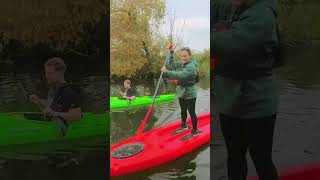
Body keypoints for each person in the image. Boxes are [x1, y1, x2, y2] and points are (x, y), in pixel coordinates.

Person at [212, 0, 279, 179]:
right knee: (234, 159)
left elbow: (228, 44)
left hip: (258, 106)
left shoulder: (263, 14)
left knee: (262, 160)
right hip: (229, 103)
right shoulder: (230, 6)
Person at [161, 44, 200, 138]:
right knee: (183, 110)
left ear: (189, 56)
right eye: (182, 56)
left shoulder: (191, 67)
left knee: (191, 112)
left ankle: (195, 131)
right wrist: (170, 52)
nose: (183, 58)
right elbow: (171, 64)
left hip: (190, 93)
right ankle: (184, 125)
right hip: (181, 91)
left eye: (185, 56)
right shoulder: (182, 63)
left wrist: (166, 72)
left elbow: (181, 75)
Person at [29, 57, 82, 125]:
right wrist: (38, 102)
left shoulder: (69, 92)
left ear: (59, 73)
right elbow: (50, 111)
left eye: (50, 73)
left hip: (67, 129)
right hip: (53, 125)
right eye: (46, 73)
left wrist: (54, 114)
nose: (47, 76)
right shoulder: (53, 89)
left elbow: (76, 116)